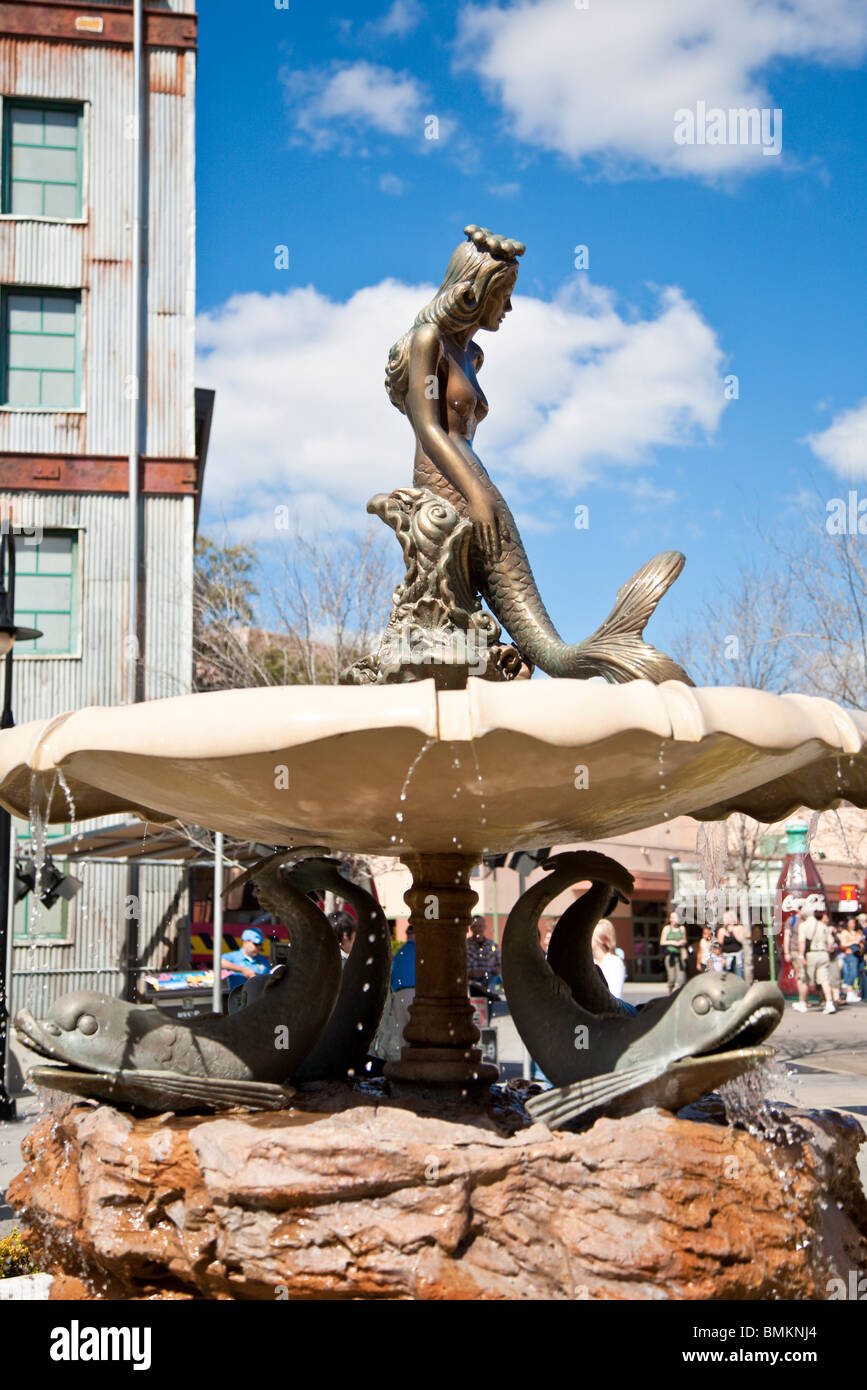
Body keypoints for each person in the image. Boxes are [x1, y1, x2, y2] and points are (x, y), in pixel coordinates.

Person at [796, 906, 836, 1015]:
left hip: (811, 954)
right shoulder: (823, 925)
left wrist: (800, 955)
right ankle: (829, 1003)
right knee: (824, 979)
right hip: (823, 954)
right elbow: (831, 943)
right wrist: (826, 950)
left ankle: (802, 1003)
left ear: (805, 914)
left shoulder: (803, 925)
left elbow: (802, 942)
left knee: (805, 979)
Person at [221, 927, 272, 994]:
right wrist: (242, 970)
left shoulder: (263, 960)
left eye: (261, 944)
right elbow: (220, 962)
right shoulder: (233, 956)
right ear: (245, 942)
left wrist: (256, 979)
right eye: (256, 944)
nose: (260, 947)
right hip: (238, 999)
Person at [591, 918, 626, 999]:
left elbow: (614, 995)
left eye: (590, 936)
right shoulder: (591, 961)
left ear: (602, 939)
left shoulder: (614, 962)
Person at [466, 917, 502, 994]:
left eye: (480, 926)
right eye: (474, 926)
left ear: (484, 927)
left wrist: (494, 970)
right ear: (471, 928)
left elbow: (500, 966)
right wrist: (470, 973)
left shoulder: (493, 945)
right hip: (471, 985)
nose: (477, 929)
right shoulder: (464, 945)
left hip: (490, 985)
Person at [660, 910, 687, 992]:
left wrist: (681, 942)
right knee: (671, 978)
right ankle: (670, 995)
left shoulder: (682, 928)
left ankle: (679, 995)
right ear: (670, 919)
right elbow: (662, 942)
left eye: (676, 917)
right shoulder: (667, 929)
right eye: (673, 917)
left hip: (679, 955)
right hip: (670, 955)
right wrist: (673, 942)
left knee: (682, 978)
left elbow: (685, 940)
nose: (674, 919)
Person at [717, 912, 745, 977]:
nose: (724, 920)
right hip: (726, 957)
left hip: (737, 956)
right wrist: (721, 958)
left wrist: (734, 932)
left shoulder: (739, 927)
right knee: (726, 977)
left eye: (726, 918)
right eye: (724, 918)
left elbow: (742, 941)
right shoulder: (722, 930)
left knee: (738, 976)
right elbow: (719, 946)